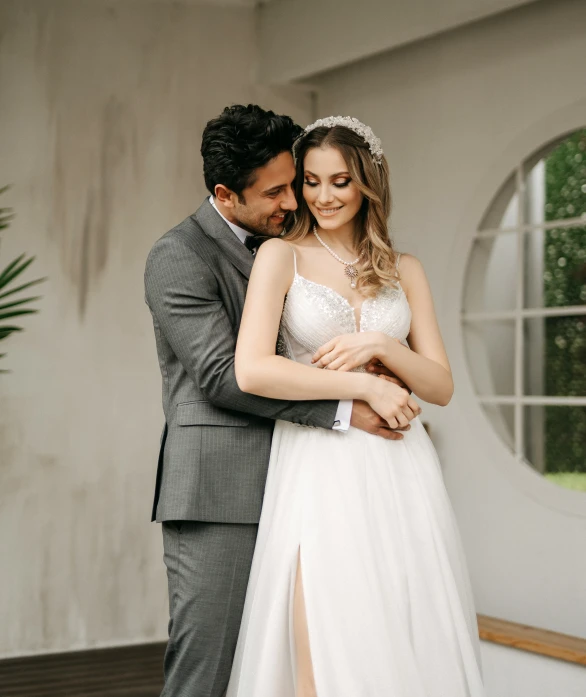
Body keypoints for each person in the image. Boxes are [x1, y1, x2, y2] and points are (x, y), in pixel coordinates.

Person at [144, 105, 418, 697]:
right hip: (224, 491)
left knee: (298, 665)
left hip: (312, 484)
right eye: (275, 193)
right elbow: (223, 375)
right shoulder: (178, 256)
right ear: (226, 193)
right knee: (209, 668)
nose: (293, 203)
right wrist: (348, 405)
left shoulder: (295, 243)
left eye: (293, 184)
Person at [226, 116, 485, 696]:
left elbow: (440, 386)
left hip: (402, 467)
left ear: (368, 182)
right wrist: (365, 386)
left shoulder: (405, 269)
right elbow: (253, 369)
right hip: (321, 464)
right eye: (311, 182)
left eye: (339, 181)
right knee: (323, 626)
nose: (322, 197)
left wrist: (382, 346)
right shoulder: (280, 257)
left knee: (402, 625)